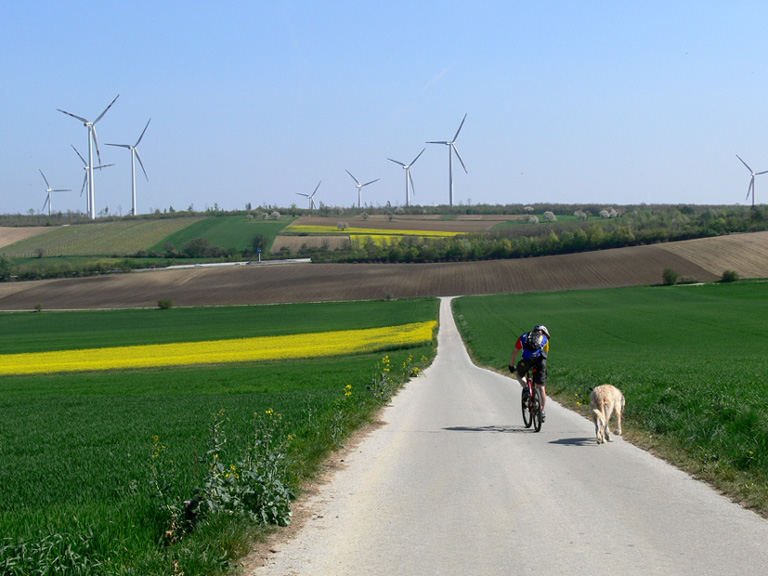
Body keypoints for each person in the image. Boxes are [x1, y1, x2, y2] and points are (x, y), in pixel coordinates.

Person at [509, 325, 550, 420]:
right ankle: (542, 410)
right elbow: (546, 356)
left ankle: (526, 388)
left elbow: (515, 352)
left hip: (526, 361)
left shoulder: (523, 337)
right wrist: (543, 370)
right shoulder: (545, 339)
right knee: (541, 388)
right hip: (540, 362)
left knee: (519, 374)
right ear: (543, 332)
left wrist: (511, 365)